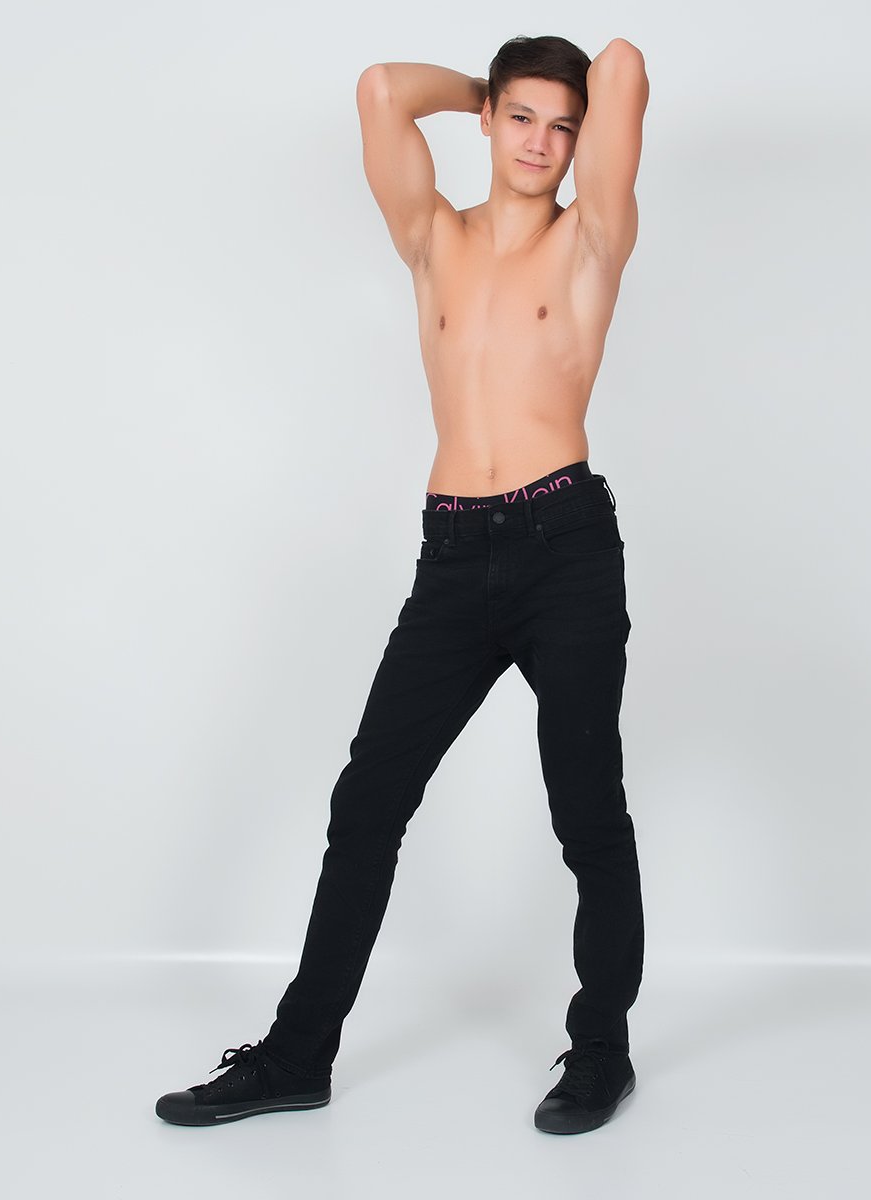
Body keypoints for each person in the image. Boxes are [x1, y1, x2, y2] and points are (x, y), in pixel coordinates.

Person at [156, 34, 649, 1136]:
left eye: (561, 126)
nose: (541, 143)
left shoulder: (591, 240)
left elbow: (620, 64)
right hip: (453, 557)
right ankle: (297, 1057)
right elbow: (381, 91)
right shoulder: (434, 239)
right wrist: (481, 88)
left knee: (586, 811)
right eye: (520, 118)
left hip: (565, 549)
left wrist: (558, 93)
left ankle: (601, 1053)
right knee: (368, 801)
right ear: (487, 121)